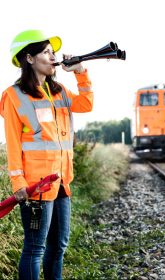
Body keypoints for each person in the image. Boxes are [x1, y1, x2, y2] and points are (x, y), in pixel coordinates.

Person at [0, 29, 93, 279]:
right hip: (36, 187)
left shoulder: (59, 91)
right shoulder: (14, 96)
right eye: (46, 52)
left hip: (62, 183)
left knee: (58, 246)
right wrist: (18, 182)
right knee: (35, 249)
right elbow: (12, 143)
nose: (53, 57)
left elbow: (86, 104)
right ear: (29, 59)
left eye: (53, 52)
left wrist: (81, 73)